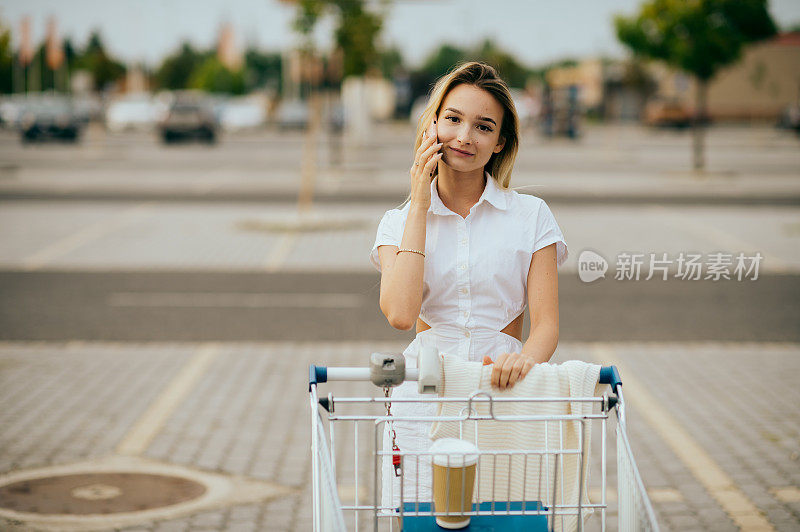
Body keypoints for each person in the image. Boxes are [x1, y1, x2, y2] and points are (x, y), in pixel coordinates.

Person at [369, 61, 568, 511]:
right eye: (453, 119)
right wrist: (420, 203)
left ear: (500, 141)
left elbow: (547, 327)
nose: (464, 136)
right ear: (433, 124)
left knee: (504, 516)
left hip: (502, 394)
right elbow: (401, 315)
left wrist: (523, 362)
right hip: (423, 398)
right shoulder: (397, 222)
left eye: (483, 126)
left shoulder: (531, 215)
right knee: (421, 517)